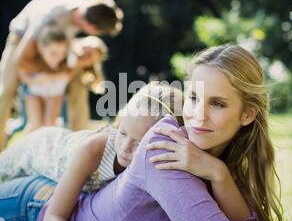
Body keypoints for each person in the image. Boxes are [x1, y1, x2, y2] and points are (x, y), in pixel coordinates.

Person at [0, 45, 292, 221]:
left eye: (217, 104)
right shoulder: (163, 146)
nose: (198, 115)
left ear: (247, 114)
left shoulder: (208, 157)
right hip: (30, 209)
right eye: (193, 98)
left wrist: (217, 173)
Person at [0, 83, 184, 193]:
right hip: (38, 150)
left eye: (138, 142)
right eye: (122, 132)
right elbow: (53, 219)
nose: (126, 146)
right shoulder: (96, 148)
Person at [0, 0, 124, 149]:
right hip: (23, 41)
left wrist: (71, 68)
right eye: (98, 33)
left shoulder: (88, 9)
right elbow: (22, 61)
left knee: (78, 83)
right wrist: (56, 75)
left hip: (55, 45)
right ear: (92, 28)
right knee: (6, 91)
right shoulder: (52, 17)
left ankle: (80, 145)